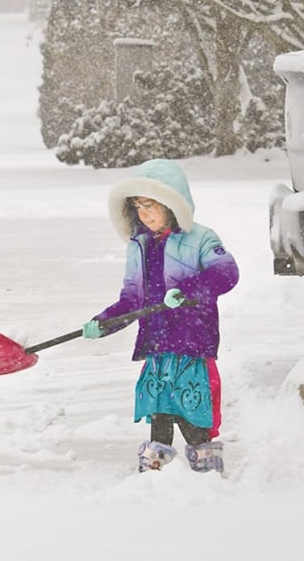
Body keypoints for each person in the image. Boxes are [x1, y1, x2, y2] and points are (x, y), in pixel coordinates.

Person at [81, 159, 238, 473]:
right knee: (159, 411)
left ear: (171, 204)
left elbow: (227, 273)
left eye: (150, 205)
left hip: (191, 343)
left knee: (191, 413)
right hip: (157, 344)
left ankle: (206, 471)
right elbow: (132, 298)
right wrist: (105, 321)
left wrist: (188, 291)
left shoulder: (200, 239)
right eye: (138, 206)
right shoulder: (139, 245)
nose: (144, 213)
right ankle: (155, 471)